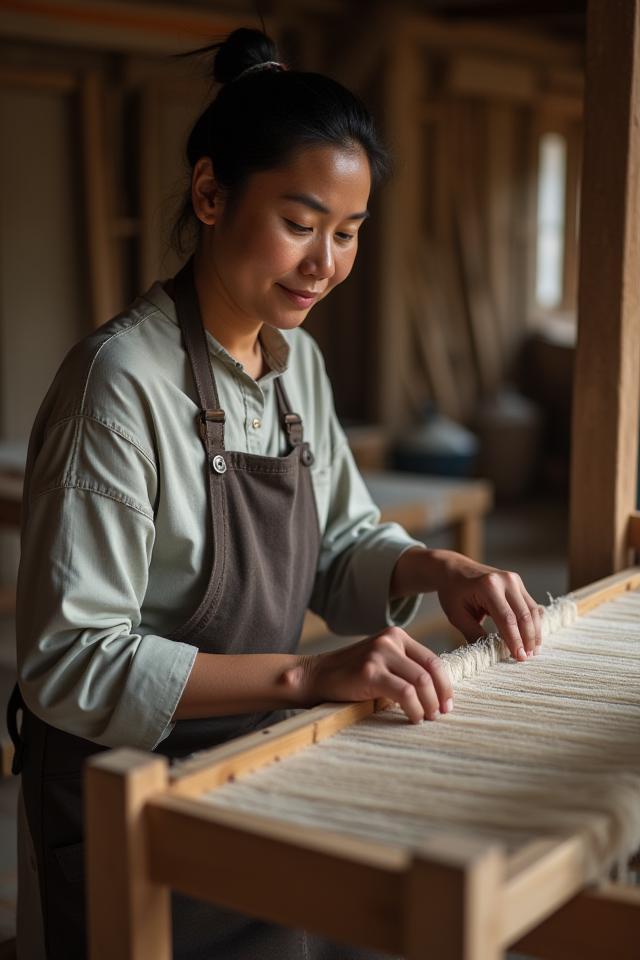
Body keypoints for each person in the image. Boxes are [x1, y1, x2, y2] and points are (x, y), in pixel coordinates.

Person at [9, 26, 542, 960]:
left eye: (347, 234)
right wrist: (307, 674)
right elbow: (70, 661)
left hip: (256, 772)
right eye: (300, 224)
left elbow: (338, 546)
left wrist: (434, 564)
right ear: (211, 194)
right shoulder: (118, 384)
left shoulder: (298, 369)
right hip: (125, 793)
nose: (325, 263)